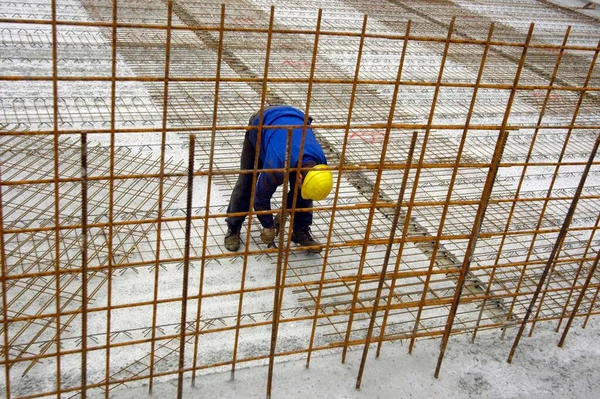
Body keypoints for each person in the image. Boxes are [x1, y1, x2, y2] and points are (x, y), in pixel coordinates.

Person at [224, 105, 333, 253]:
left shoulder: (320, 165)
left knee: (305, 191)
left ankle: (300, 230)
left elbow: (305, 189)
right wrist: (268, 226)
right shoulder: (277, 164)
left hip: (292, 121)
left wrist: (285, 210)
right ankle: (233, 227)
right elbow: (260, 197)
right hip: (262, 124)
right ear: (299, 176)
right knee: (247, 181)